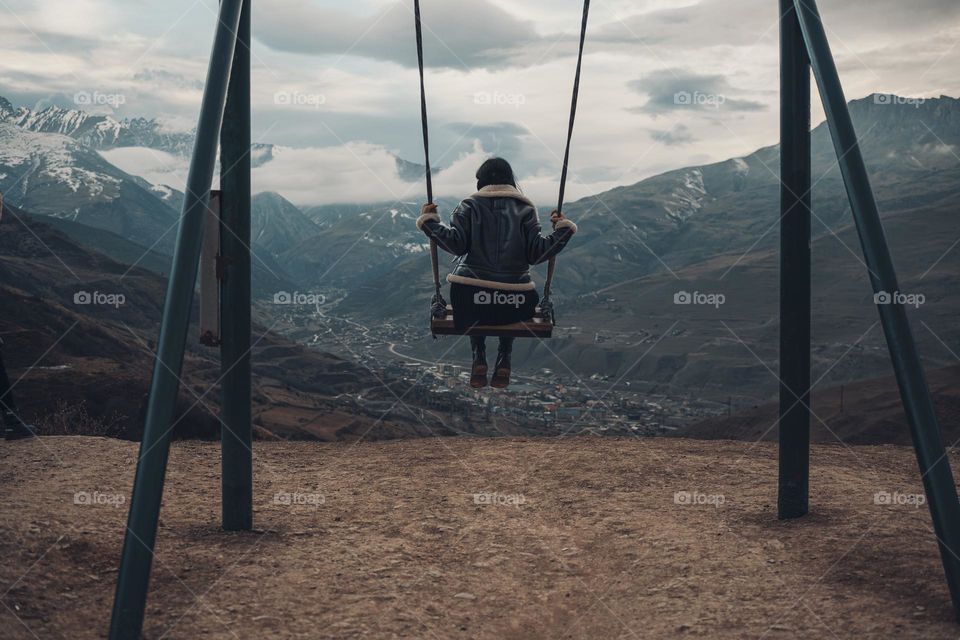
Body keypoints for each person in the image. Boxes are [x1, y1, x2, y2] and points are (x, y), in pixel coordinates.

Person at [416, 157, 578, 388]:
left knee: (475, 291)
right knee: (506, 294)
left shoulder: (468, 206)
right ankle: (504, 356)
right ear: (510, 180)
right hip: (517, 302)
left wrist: (429, 222)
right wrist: (562, 230)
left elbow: (455, 245)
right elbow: (538, 254)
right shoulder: (526, 208)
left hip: (469, 301)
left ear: (480, 181)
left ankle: (478, 355)